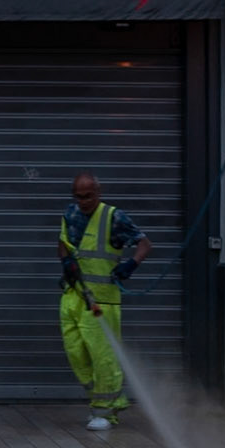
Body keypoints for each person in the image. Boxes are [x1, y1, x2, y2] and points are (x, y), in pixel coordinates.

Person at [58, 170, 151, 431]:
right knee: (76, 354)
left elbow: (145, 244)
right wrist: (66, 261)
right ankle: (104, 400)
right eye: (78, 197)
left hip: (102, 302)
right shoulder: (70, 213)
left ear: (98, 193)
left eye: (88, 196)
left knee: (103, 357)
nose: (83, 202)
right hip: (73, 297)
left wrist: (131, 264)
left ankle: (105, 411)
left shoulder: (114, 217)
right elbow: (62, 242)